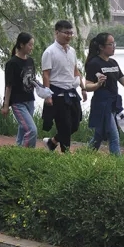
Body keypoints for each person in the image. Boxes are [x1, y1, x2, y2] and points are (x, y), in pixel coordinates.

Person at [84, 32, 124, 156]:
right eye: (110, 44)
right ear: (101, 47)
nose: (114, 47)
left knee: (99, 135)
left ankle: (84, 156)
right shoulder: (94, 63)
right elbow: (87, 86)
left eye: (114, 44)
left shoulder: (113, 63)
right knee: (114, 136)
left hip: (114, 103)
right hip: (102, 104)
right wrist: (97, 84)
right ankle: (117, 163)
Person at [40, 20, 87, 153]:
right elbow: (46, 75)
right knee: (64, 125)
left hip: (71, 92)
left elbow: (75, 70)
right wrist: (47, 95)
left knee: (75, 124)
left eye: (71, 33)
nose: (69, 36)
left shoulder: (72, 51)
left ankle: (52, 142)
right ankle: (65, 154)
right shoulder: (49, 52)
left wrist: (83, 88)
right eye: (66, 33)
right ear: (57, 33)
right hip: (57, 94)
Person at [1, 32, 40, 148]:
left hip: (30, 100)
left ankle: (17, 150)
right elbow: (8, 86)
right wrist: (5, 105)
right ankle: (27, 154)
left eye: (32, 45)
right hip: (18, 102)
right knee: (32, 130)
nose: (32, 47)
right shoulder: (12, 63)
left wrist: (42, 89)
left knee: (24, 129)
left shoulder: (30, 61)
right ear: (22, 45)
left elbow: (32, 79)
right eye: (30, 45)